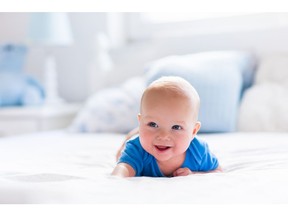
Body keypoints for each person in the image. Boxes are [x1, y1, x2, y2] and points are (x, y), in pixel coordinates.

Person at [112, 76, 222, 177]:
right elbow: (123, 168)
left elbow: (217, 171)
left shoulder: (198, 151)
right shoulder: (137, 148)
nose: (163, 136)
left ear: (193, 131)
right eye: (153, 124)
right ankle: (132, 135)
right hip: (133, 142)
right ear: (140, 123)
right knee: (122, 152)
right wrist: (117, 177)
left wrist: (193, 173)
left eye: (176, 127)